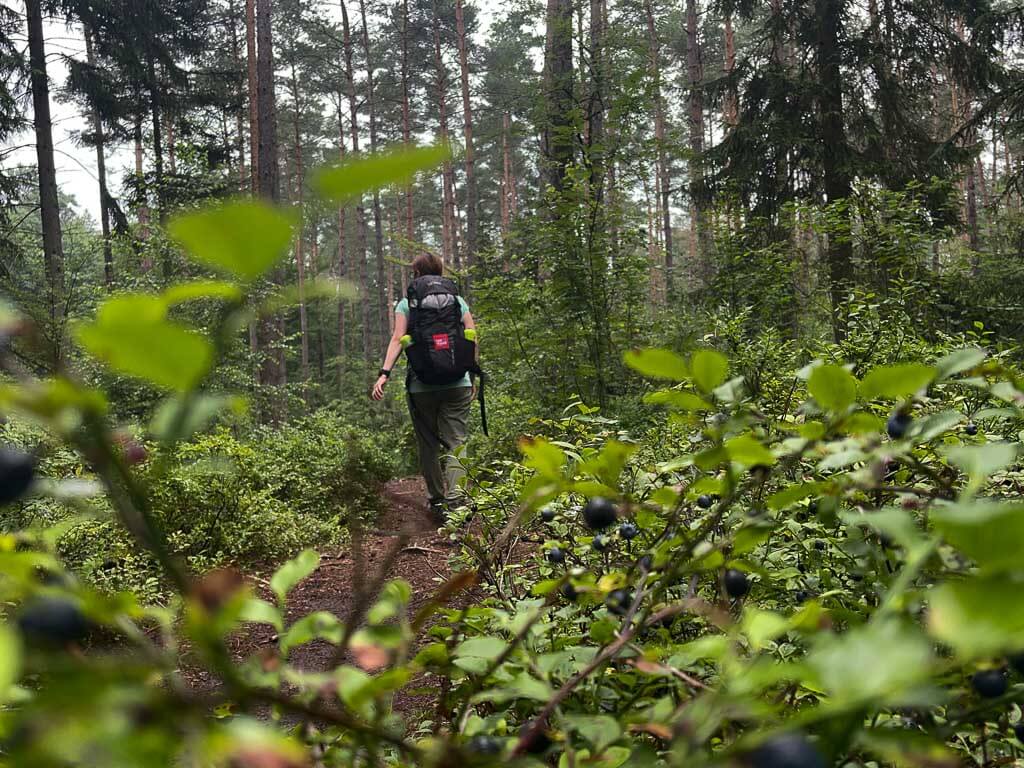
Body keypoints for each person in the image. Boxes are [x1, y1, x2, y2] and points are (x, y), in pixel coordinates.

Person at [371, 253, 477, 522]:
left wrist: (384, 373)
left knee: (428, 444)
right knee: (457, 442)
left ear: (416, 274)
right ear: (440, 272)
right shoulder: (457, 300)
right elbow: (471, 335)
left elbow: (397, 339)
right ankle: (457, 503)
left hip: (421, 385)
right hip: (458, 382)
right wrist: (472, 374)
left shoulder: (407, 304)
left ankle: (437, 502)